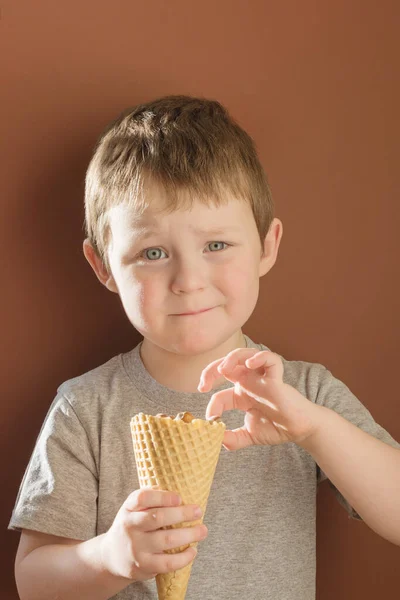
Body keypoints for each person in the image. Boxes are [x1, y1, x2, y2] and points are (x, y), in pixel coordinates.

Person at [9, 95, 400, 600]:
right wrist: (110, 557)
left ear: (267, 245)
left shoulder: (304, 393)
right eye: (152, 253)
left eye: (216, 245)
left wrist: (315, 429)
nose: (188, 281)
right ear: (103, 266)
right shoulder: (86, 408)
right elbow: (34, 582)